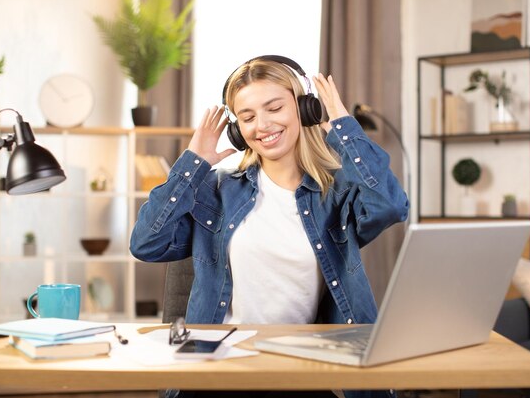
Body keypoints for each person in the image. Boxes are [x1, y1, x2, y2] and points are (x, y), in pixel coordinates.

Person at [130, 56, 409, 398]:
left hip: (299, 371)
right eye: (246, 117)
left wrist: (343, 127)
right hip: (221, 374)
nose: (261, 125)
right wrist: (193, 162)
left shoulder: (335, 196)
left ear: (304, 108)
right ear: (238, 129)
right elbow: (146, 244)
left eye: (274, 108)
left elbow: (391, 205)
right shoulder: (216, 191)